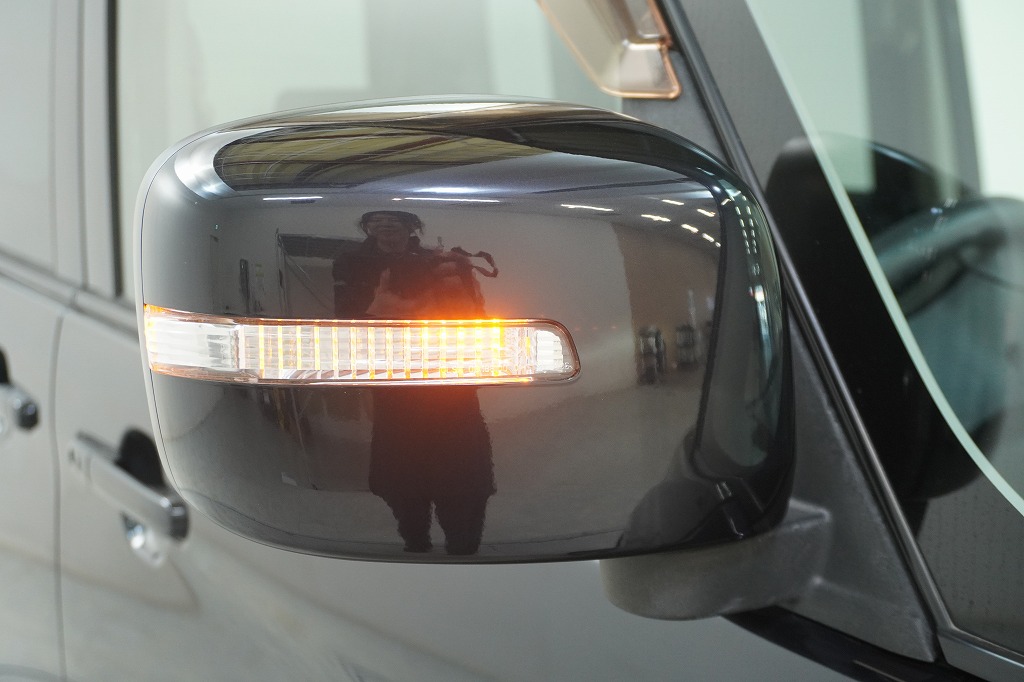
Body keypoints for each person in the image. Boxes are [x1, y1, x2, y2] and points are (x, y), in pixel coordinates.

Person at [332, 210, 495, 555]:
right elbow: (344, 323)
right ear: (368, 228)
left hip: (447, 374)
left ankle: (463, 544)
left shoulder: (440, 262)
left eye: (394, 220)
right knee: (400, 467)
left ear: (411, 227)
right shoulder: (352, 264)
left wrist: (459, 292)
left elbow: (475, 319)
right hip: (393, 379)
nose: (386, 227)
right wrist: (376, 313)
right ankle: (414, 540)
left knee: (462, 468)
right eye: (377, 221)